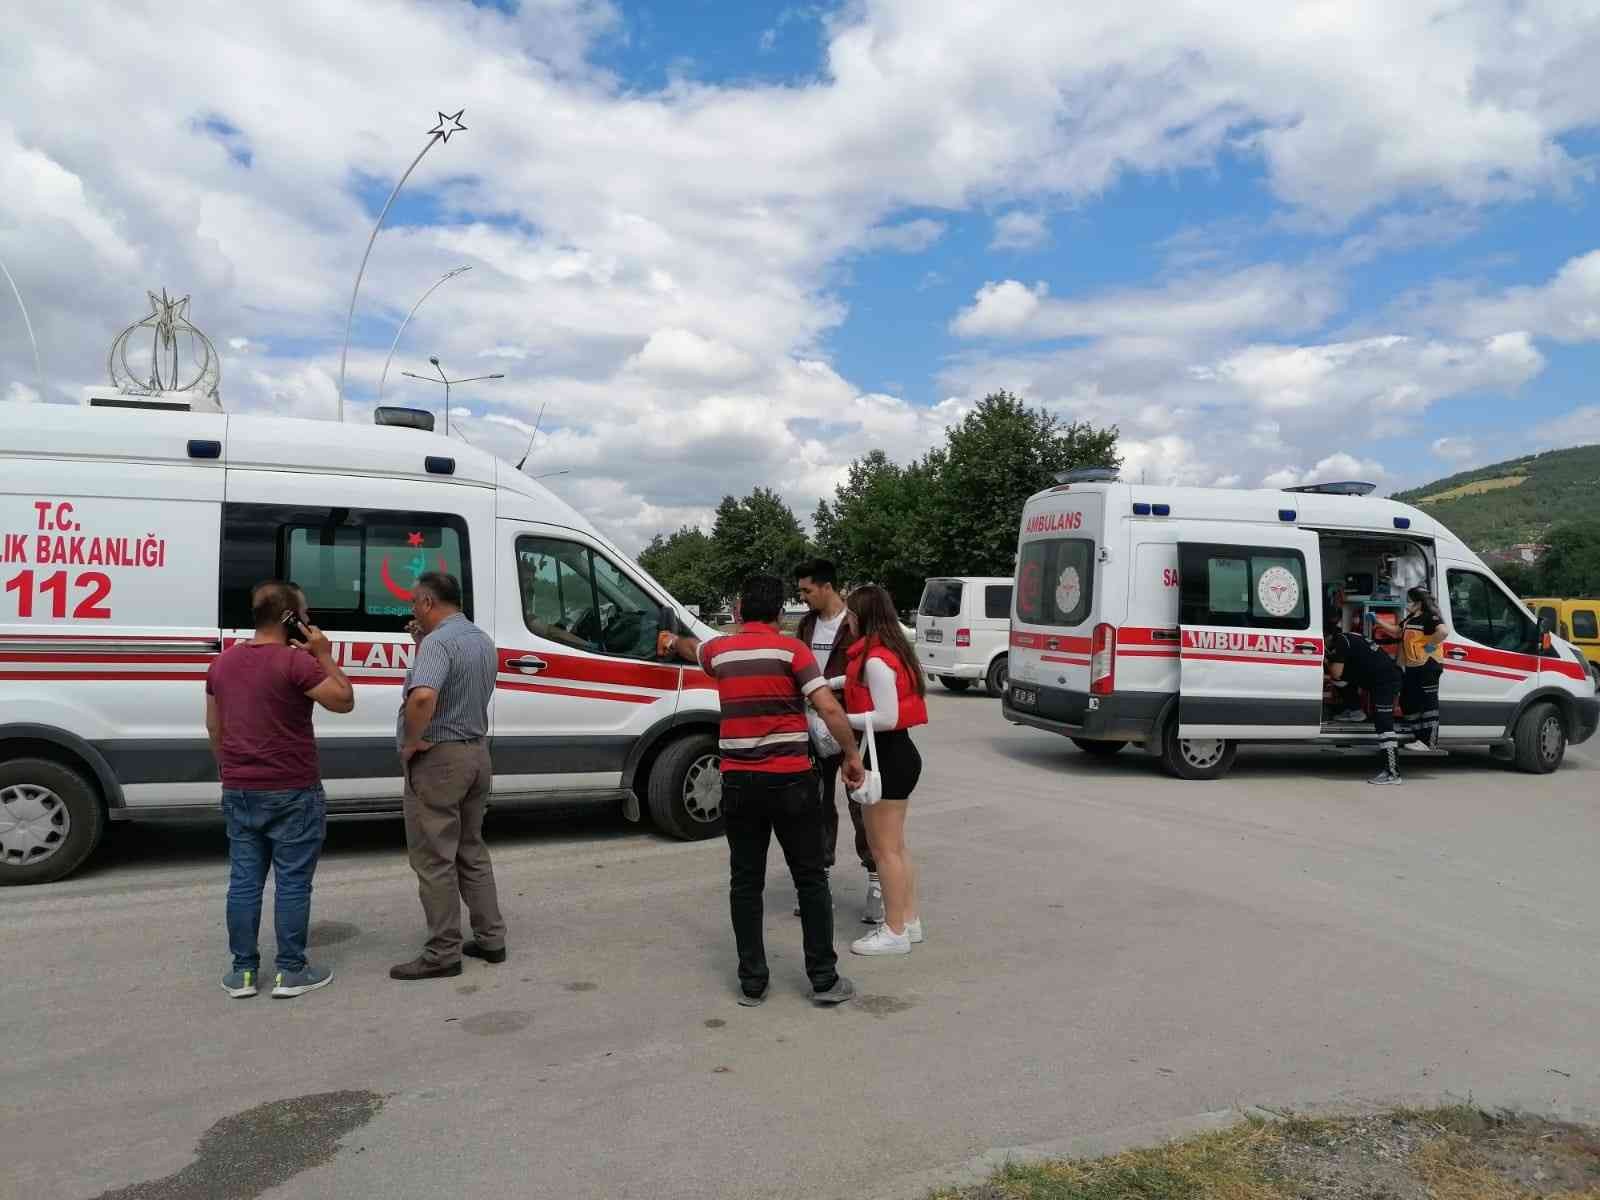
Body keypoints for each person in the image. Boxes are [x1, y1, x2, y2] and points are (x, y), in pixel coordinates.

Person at [660, 574, 866, 1008]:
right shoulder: (794, 650)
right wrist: (851, 754)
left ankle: (753, 983)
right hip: (792, 780)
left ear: (738, 611)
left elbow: (690, 648)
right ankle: (823, 980)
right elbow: (826, 705)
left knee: (745, 882)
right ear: (778, 613)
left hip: (738, 782)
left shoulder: (721, 651)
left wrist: (669, 639)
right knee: (810, 879)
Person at [205, 579, 354, 999]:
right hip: (293, 790)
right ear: (291, 617)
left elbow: (214, 726)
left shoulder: (221, 665)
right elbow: (343, 700)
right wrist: (325, 656)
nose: (308, 621)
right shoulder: (296, 664)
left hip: (239, 788)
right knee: (291, 882)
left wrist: (231, 770)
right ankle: (290, 971)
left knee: (244, 881)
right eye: (303, 614)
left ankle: (243, 973)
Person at [390, 572, 508, 981]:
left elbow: (424, 695)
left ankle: (443, 952)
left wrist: (410, 741)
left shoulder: (439, 642)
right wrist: (420, 645)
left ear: (427, 602)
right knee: (471, 849)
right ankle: (491, 938)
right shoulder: (481, 640)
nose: (412, 613)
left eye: (413, 605)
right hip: (476, 754)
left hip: (441, 759)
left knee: (434, 859)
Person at [832, 585, 929, 956]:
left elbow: (886, 716)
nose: (848, 623)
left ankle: (894, 931)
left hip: (887, 757)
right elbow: (856, 683)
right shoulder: (890, 651)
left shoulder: (875, 659)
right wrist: (828, 686)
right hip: (896, 755)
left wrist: (838, 717)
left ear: (863, 617)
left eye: (851, 617)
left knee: (883, 849)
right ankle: (909, 920)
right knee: (896, 848)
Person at [793, 558, 881, 925]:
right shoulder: (806, 625)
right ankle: (818, 883)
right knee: (814, 808)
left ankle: (877, 882)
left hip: (851, 728)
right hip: (811, 730)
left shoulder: (855, 623)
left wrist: (834, 688)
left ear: (827, 587)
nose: (802, 597)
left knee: (862, 806)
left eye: (806, 590)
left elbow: (868, 669)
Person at [1325, 607, 1406, 786]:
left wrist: (1326, 660)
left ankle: (1393, 773)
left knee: (1384, 725)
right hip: (1381, 677)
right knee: (1342, 680)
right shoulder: (1349, 637)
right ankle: (1355, 710)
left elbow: (1337, 673)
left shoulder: (1339, 643)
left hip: (1385, 682)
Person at [1399, 586, 1448, 754]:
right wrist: (1377, 621)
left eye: (1409, 600)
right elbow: (1397, 632)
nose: (1407, 603)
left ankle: (1428, 741)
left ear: (1418, 603)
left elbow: (1443, 632)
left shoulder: (1430, 617)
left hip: (1428, 664)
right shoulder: (1411, 618)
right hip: (1413, 666)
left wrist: (1427, 648)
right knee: (1408, 700)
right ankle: (1418, 737)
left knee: (1428, 703)